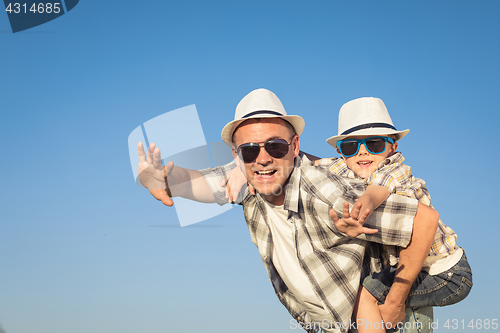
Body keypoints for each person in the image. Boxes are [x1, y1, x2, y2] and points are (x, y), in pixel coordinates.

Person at [137, 89, 439, 333]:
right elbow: (200, 181)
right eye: (251, 150)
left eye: (276, 147)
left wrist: (396, 301)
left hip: (388, 320)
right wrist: (163, 178)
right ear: (237, 155)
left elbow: (423, 219)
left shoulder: (326, 191)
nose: (263, 159)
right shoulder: (248, 183)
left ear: (295, 147)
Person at [321, 97, 472, 332]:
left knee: (364, 296)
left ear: (393, 147)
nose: (362, 152)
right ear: (342, 152)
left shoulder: (394, 168)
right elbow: (310, 164)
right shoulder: (349, 165)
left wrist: (361, 209)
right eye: (351, 146)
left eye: (375, 144)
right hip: (408, 268)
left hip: (445, 273)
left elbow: (376, 192)